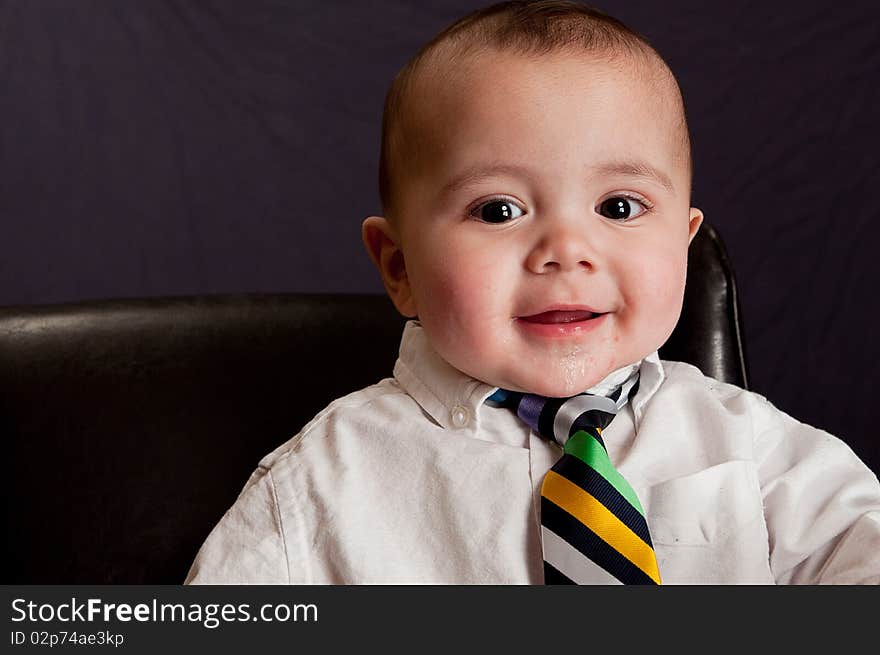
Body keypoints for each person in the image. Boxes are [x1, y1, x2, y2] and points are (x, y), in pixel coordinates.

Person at [184, 0, 880, 584]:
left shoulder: (752, 448)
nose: (566, 251)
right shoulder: (317, 489)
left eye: (619, 207)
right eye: (498, 210)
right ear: (398, 267)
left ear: (684, 240)